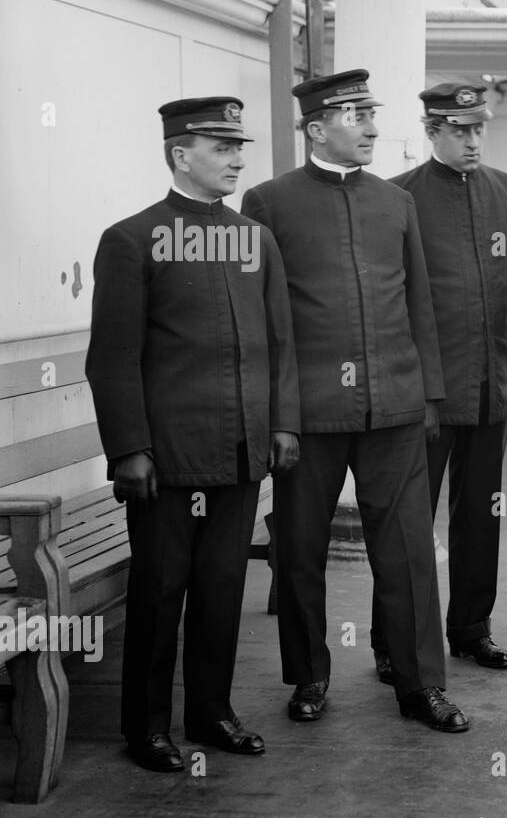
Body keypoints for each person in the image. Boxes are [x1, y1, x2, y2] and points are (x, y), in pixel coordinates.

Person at [241, 69, 467, 733]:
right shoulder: (269, 202)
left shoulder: (395, 204)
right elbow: (260, 320)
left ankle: (421, 683)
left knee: (407, 551)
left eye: (373, 114)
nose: (371, 127)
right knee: (302, 549)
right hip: (308, 415)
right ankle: (309, 675)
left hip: (393, 407)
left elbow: (418, 302)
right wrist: (276, 416)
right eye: (355, 115)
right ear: (317, 127)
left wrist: (428, 393)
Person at [85, 96, 300, 771]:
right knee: (158, 592)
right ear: (181, 153)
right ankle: (146, 726)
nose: (238, 158)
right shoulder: (131, 239)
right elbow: (112, 358)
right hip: (167, 461)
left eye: (240, 146)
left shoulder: (254, 239)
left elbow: (279, 344)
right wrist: (129, 449)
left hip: (239, 454)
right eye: (221, 146)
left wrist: (283, 423)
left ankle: (212, 711)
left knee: (219, 589)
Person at [389, 81, 507, 672]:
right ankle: (393, 639)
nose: (473, 141)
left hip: (490, 387)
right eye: (459, 130)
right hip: (427, 391)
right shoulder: (401, 197)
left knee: (482, 513)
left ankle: (472, 628)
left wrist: (494, 344)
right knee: (410, 522)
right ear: (432, 132)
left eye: (479, 129)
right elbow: (394, 294)